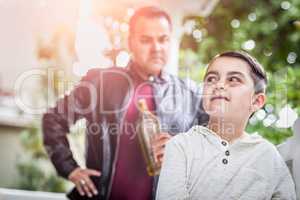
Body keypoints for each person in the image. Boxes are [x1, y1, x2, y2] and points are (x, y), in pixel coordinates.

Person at [42, 6, 207, 200]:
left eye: (163, 39)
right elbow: (53, 119)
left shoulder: (190, 95)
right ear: (130, 43)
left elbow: (214, 147)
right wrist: (70, 168)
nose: (156, 48)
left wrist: (182, 151)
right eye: (146, 40)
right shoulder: (99, 83)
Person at [156, 51, 297, 200]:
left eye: (233, 79)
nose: (219, 85)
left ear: (256, 101)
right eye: (211, 79)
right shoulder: (180, 146)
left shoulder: (269, 156)